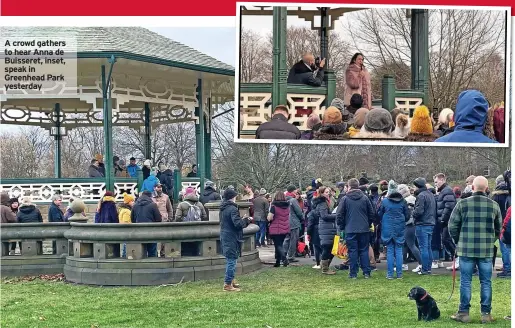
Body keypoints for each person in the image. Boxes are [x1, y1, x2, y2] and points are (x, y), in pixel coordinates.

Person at [449, 176, 502, 324]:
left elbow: (452, 226)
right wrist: (491, 240)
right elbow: (498, 228)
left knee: (465, 281)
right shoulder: (493, 206)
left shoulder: (462, 204)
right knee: (486, 282)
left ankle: (463, 313)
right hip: (485, 250)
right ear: (486, 189)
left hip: (466, 249)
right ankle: (486, 314)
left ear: (472, 187)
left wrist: (458, 241)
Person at [336, 179, 375, 279]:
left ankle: (353, 273)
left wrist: (342, 226)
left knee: (352, 251)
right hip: (363, 228)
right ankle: (366, 272)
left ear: (349, 186)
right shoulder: (365, 198)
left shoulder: (345, 199)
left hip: (350, 229)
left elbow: (339, 214)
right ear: (357, 186)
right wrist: (368, 224)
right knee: (364, 250)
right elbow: (371, 213)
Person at [220, 188, 251, 291]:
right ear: (232, 197)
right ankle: (227, 284)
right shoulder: (233, 209)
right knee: (232, 261)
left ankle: (231, 280)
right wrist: (246, 220)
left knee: (231, 259)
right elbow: (237, 224)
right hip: (231, 237)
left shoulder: (223, 208)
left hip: (226, 236)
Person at [378, 181, 410, 279]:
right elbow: (407, 215)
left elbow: (379, 214)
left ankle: (390, 274)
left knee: (390, 250)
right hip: (399, 227)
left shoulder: (385, 202)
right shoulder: (403, 201)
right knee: (399, 250)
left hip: (387, 228)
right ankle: (399, 274)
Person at [412, 177, 436, 275]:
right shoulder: (430, 194)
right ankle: (428, 268)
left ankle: (425, 269)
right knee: (428, 247)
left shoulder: (421, 196)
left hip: (422, 224)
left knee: (423, 248)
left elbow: (419, 211)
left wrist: (412, 212)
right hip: (430, 223)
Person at [398, 184, 422, 273]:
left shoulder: (406, 201)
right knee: (405, 244)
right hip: (411, 224)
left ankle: (421, 264)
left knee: (411, 245)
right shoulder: (413, 199)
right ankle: (403, 264)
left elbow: (406, 214)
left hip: (409, 224)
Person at [313, 186, 337, 275]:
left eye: (329, 192)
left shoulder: (326, 202)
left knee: (331, 248)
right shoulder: (322, 204)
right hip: (325, 227)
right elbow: (324, 216)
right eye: (326, 192)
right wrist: (336, 215)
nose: (328, 194)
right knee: (327, 247)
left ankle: (325, 266)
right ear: (322, 193)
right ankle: (325, 269)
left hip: (328, 227)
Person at [131, 190, 162, 257]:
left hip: (139, 231)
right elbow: (158, 219)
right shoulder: (153, 205)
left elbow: (132, 219)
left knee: (141, 251)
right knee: (152, 251)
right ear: (150, 196)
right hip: (151, 231)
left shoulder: (135, 205)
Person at [267, 191, 291, 267]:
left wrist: (268, 218)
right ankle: (277, 262)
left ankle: (284, 259)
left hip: (275, 228)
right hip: (285, 228)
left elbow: (270, 218)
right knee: (279, 244)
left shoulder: (274, 206)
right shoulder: (287, 206)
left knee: (278, 245)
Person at [118, 193, 134, 257]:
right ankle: (124, 257)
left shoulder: (123, 210)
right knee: (126, 245)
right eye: (132, 201)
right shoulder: (127, 211)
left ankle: (124, 256)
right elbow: (126, 222)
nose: (133, 202)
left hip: (124, 231)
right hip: (127, 231)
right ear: (128, 202)